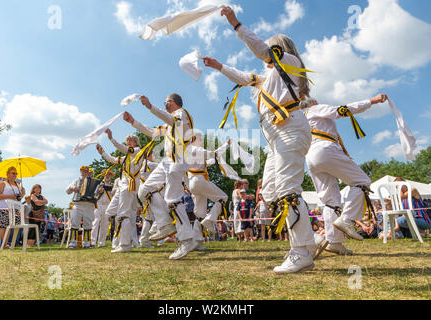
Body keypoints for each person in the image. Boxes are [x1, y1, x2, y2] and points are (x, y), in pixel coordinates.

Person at [204, 7, 320, 273]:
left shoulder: (289, 61)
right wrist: (220, 66)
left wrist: (236, 25)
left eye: (270, 50)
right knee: (269, 192)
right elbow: (244, 78)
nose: (265, 55)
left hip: (289, 129)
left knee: (289, 190)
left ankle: (301, 252)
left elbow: (261, 50)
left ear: (278, 49)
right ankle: (310, 239)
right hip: (276, 138)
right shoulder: (269, 78)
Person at [300, 94, 388, 255]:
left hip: (311, 157)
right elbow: (341, 110)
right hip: (325, 150)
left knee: (330, 200)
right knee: (362, 182)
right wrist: (371, 101)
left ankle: (334, 242)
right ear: (312, 102)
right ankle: (347, 219)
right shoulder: (315, 108)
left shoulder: (302, 119)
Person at [123, 93, 197, 260]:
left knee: (173, 198)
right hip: (168, 160)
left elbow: (171, 120)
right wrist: (133, 121)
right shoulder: (170, 122)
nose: (164, 104)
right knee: (145, 189)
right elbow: (151, 132)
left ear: (174, 102)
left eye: (166, 101)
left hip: (179, 160)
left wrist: (150, 107)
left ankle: (186, 239)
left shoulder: (181, 114)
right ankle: (164, 224)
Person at [96, 129, 142, 253]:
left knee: (123, 214)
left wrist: (111, 139)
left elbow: (126, 150)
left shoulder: (138, 152)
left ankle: (125, 244)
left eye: (131, 140)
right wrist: (102, 153)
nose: (128, 142)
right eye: (127, 141)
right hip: (122, 186)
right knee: (110, 211)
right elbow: (112, 160)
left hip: (129, 186)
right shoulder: (126, 156)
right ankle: (122, 239)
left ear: (136, 142)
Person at [0, 167, 25, 250]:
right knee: (0, 226)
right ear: (7, 174)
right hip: (3, 207)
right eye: (13, 173)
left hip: (14, 209)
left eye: (16, 173)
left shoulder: (17, 185)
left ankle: (5, 244)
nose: (15, 175)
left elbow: (18, 198)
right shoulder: (3, 183)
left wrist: (22, 193)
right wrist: (10, 196)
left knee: (8, 227)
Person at [66, 166, 96, 249]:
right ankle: (72, 243)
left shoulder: (94, 181)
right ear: (80, 171)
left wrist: (99, 191)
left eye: (86, 171)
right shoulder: (76, 181)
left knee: (88, 224)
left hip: (89, 205)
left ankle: (86, 243)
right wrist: (72, 188)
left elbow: (98, 193)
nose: (84, 173)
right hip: (77, 204)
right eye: (83, 171)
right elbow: (67, 191)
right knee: (75, 222)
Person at [91, 169, 114, 248]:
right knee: (95, 222)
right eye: (106, 174)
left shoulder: (113, 185)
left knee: (105, 224)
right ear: (103, 175)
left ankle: (102, 243)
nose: (107, 176)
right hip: (98, 204)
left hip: (108, 205)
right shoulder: (99, 184)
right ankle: (93, 242)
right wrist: (98, 191)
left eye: (109, 175)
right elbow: (93, 194)